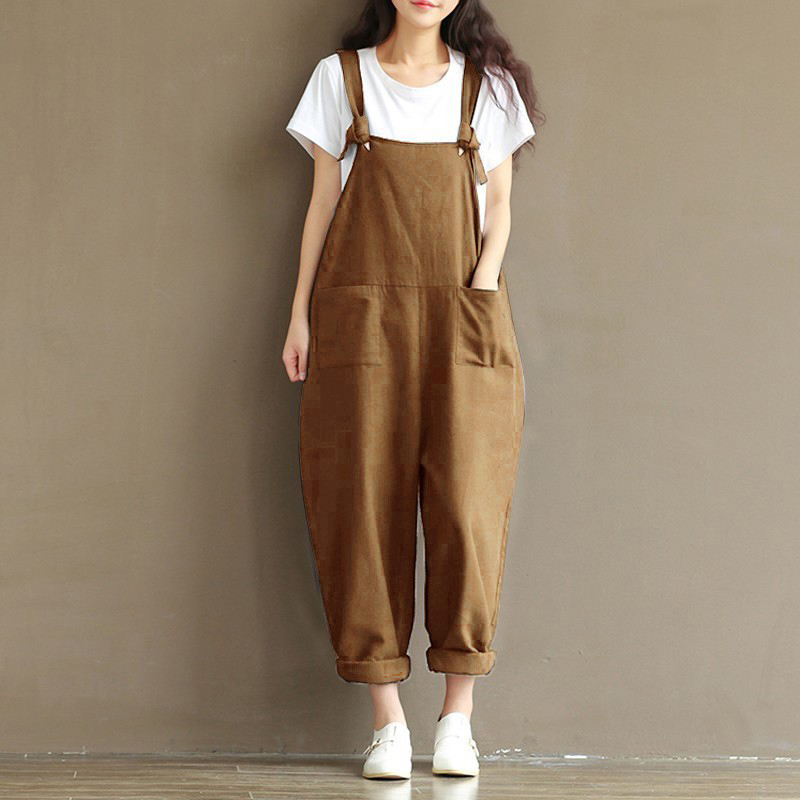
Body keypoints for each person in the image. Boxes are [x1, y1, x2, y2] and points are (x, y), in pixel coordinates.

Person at [282, 0, 541, 781]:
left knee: (469, 507)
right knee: (362, 506)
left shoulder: (488, 87)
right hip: (361, 322)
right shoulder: (341, 80)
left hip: (466, 317)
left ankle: (457, 718)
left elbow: (500, 204)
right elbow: (322, 202)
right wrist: (299, 315)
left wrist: (480, 288)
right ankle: (387, 724)